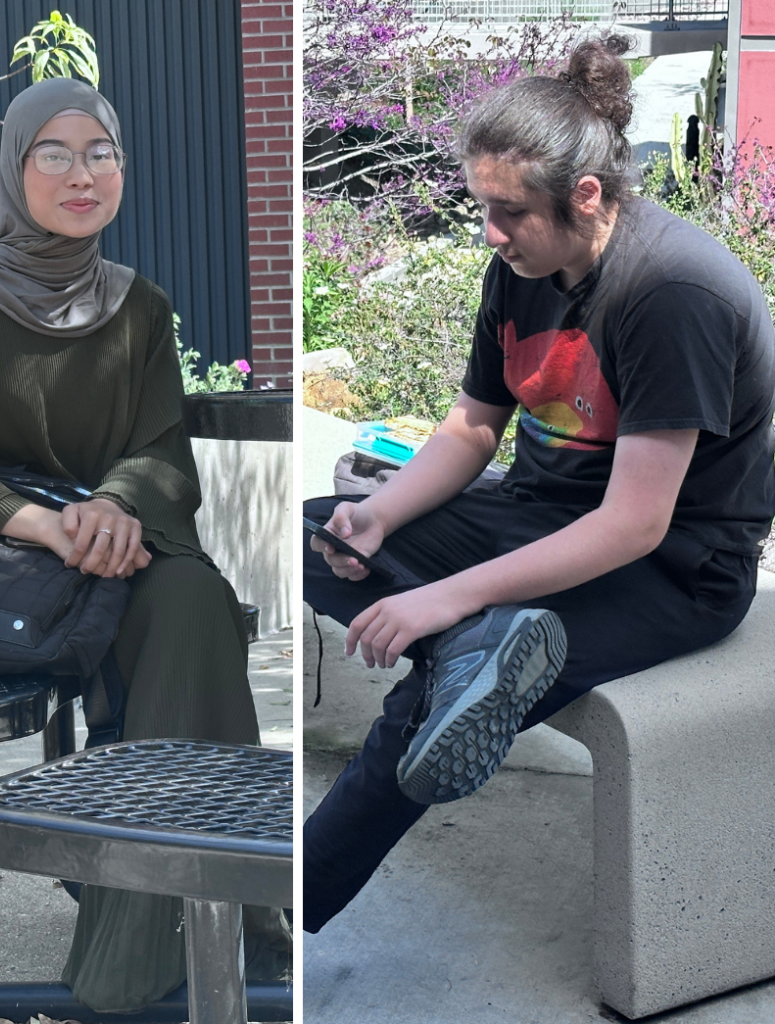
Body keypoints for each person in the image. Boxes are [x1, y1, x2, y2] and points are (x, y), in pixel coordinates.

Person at [303, 36, 775, 932]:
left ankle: (291, 917)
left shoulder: (674, 293)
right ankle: (486, 653)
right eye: (481, 205)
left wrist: (443, 596)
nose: (488, 231)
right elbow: (474, 427)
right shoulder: (519, 270)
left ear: (586, 196)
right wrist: (380, 517)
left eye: (507, 212)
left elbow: (635, 525)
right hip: (538, 518)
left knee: (420, 713)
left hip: (674, 567)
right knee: (317, 536)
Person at [0, 77, 289, 1013]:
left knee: (196, 607)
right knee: (158, 603)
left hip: (123, 552)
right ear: (15, 168)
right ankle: (139, 975)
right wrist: (52, 524)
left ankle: (206, 918)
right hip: (9, 557)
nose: (81, 174)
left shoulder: (140, 307)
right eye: (54, 153)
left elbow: (161, 446)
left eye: (102, 153)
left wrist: (119, 504)